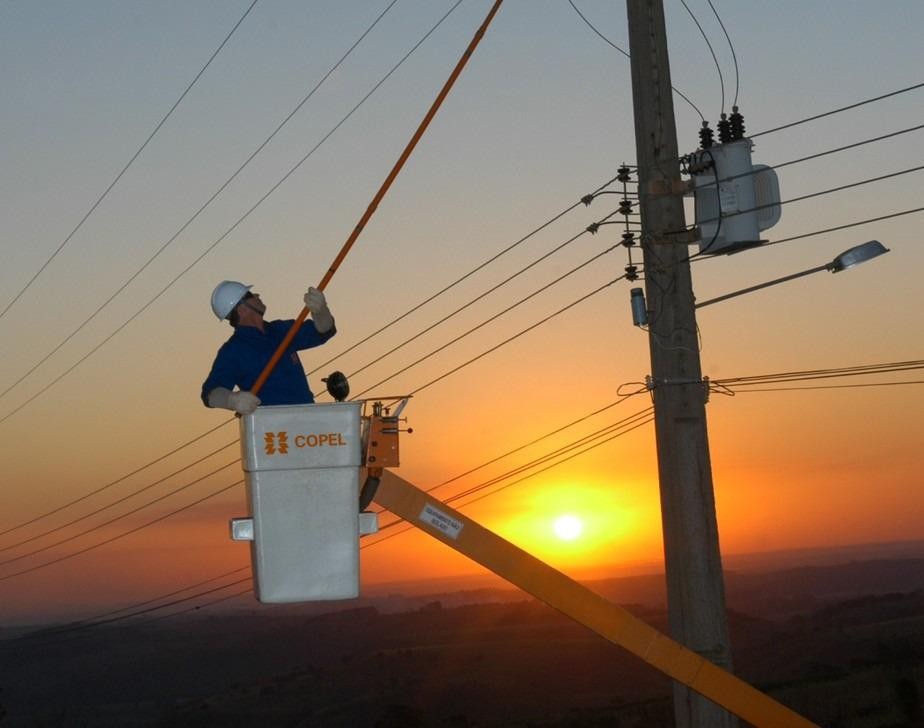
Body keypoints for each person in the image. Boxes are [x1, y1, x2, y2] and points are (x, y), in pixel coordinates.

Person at [201, 280, 336, 415]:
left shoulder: (281, 330)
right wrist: (232, 400)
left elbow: (323, 331)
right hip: (272, 430)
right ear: (242, 309)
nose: (257, 296)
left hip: (309, 419)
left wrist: (321, 312)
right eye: (251, 295)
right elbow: (210, 392)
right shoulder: (234, 350)